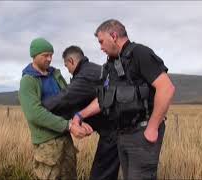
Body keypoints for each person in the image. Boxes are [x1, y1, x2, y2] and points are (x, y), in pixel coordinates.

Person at [72, 19, 175, 179]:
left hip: (142, 134)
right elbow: (103, 100)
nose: (100, 47)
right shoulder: (110, 65)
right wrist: (80, 115)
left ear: (113, 36)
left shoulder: (140, 53)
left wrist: (153, 127)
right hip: (122, 135)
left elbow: (166, 88)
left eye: (101, 41)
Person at [42, 45, 120, 180]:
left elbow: (66, 97)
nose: (69, 71)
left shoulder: (85, 75)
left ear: (71, 61)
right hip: (116, 129)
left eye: (67, 66)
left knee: (100, 175)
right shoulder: (93, 69)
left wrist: (39, 107)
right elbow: (85, 102)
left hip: (114, 132)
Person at [18, 37, 89, 180]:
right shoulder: (28, 81)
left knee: (70, 176)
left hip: (65, 137)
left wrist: (78, 119)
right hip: (47, 144)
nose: (49, 59)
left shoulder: (55, 75)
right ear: (34, 55)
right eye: (45, 55)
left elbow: (68, 99)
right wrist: (68, 125)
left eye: (51, 55)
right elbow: (35, 114)